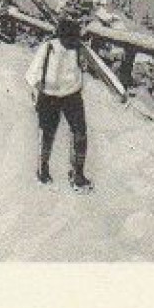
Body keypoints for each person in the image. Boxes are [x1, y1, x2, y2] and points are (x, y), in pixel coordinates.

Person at [24, 10, 91, 188]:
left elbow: (83, 68)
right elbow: (31, 73)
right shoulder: (48, 48)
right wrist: (40, 88)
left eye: (76, 39)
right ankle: (42, 170)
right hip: (49, 97)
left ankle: (78, 173)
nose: (73, 42)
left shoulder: (78, 49)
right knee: (47, 134)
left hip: (72, 96)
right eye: (71, 39)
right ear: (62, 36)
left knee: (80, 133)